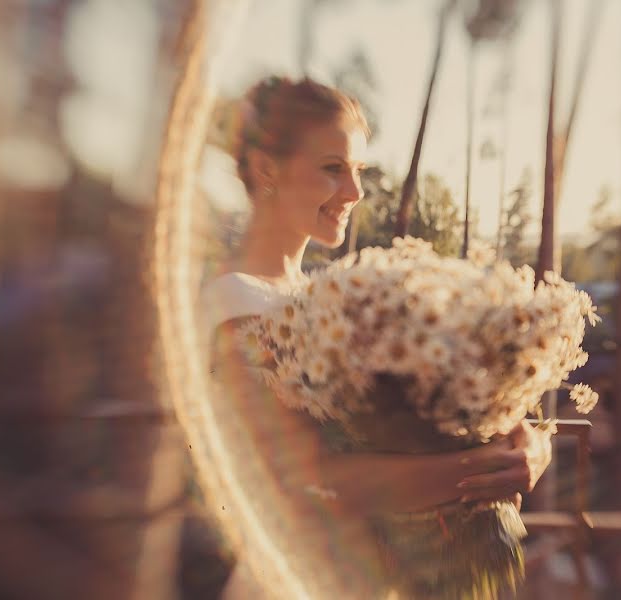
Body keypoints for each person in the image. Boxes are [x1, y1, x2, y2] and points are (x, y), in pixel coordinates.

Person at [199, 76, 552, 598]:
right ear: (266, 168)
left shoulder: (326, 298)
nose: (355, 192)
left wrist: (522, 440)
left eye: (358, 171)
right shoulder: (235, 305)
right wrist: (477, 473)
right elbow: (305, 481)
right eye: (332, 169)